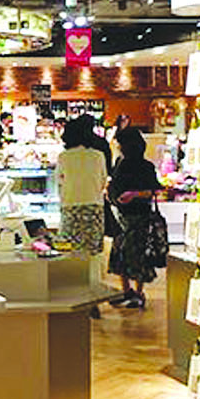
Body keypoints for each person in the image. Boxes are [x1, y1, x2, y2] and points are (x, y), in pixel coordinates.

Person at [107, 126, 164, 308]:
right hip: (133, 214)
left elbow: (153, 190)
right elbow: (153, 190)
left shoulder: (127, 166)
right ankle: (133, 292)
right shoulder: (141, 165)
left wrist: (131, 195)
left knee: (126, 253)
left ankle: (132, 292)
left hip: (132, 216)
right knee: (132, 253)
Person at [57, 117, 109, 284]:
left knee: (71, 250)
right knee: (93, 252)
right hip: (94, 208)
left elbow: (59, 181)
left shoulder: (63, 157)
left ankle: (72, 283)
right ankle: (93, 285)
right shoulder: (98, 155)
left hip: (70, 207)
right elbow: (103, 181)